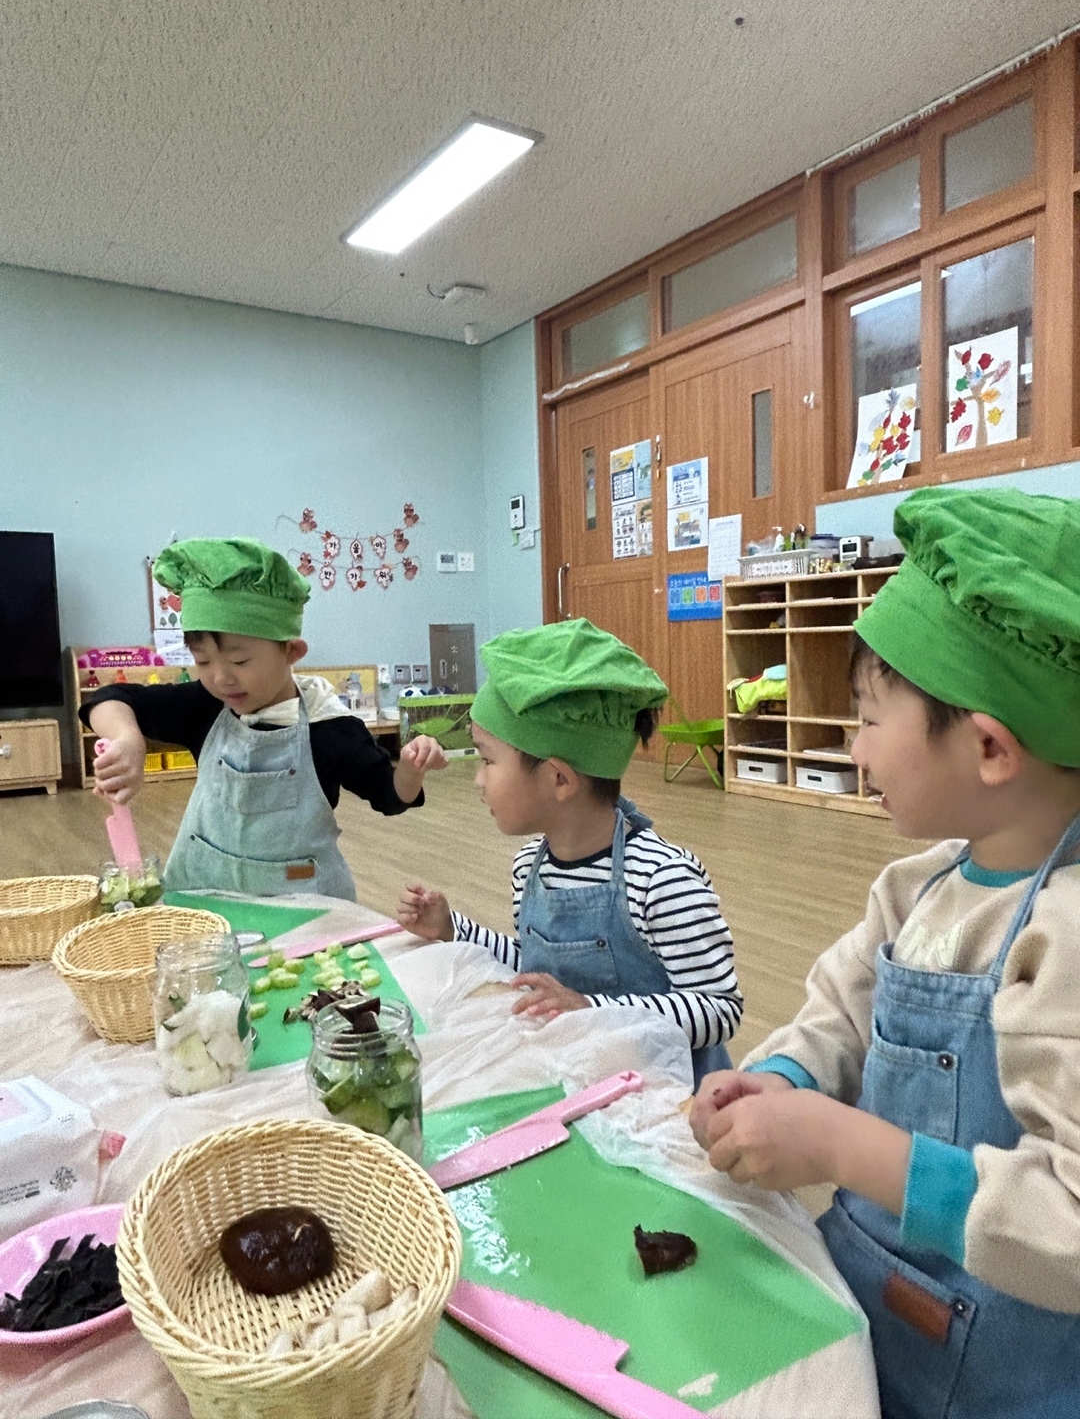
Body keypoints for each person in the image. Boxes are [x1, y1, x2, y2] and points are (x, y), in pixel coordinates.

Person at [689, 488, 1080, 1419]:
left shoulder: (1062, 935)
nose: (855, 750)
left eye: (867, 719)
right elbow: (841, 1013)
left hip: (999, 1385)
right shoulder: (917, 887)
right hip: (867, 1324)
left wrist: (838, 1143)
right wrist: (780, 1078)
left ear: (990, 749)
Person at [397, 618, 742, 1086]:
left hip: (668, 1096)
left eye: (487, 759)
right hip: (583, 1082)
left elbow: (719, 1009)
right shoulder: (530, 867)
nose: (478, 779)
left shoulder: (661, 879)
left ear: (559, 779)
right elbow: (534, 969)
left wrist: (591, 1009)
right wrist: (453, 928)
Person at [82, 537, 446, 900]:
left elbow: (389, 795)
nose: (221, 678)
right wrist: (128, 739)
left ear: (292, 651)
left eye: (239, 661)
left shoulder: (328, 726)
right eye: (203, 661)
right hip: (208, 897)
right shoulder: (207, 705)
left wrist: (410, 770)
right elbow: (109, 699)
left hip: (305, 905)